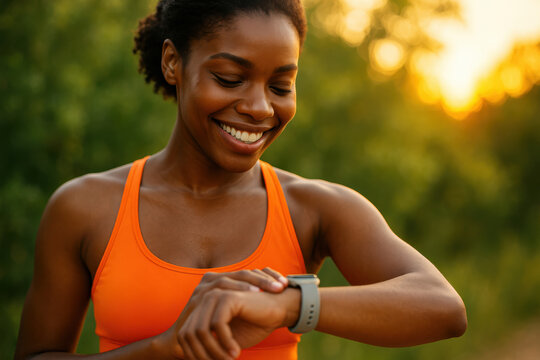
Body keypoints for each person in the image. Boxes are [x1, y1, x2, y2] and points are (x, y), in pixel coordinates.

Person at [15, 1, 467, 359]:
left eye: (281, 86)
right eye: (230, 78)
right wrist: (162, 350)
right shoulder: (86, 208)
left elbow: (443, 307)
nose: (260, 107)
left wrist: (288, 303)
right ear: (173, 62)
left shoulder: (313, 208)